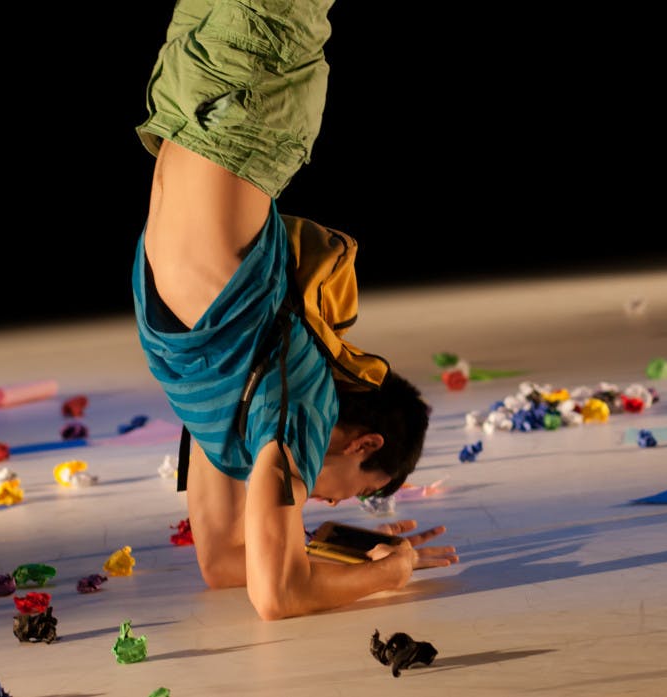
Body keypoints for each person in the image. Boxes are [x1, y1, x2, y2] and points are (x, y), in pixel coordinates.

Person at [131, 0, 458, 621]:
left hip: (198, 89)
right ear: (364, 444)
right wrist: (394, 572)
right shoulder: (300, 414)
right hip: (250, 76)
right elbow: (278, 596)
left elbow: (225, 562)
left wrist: (344, 551)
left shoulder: (246, 421)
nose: (331, 506)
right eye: (357, 498)